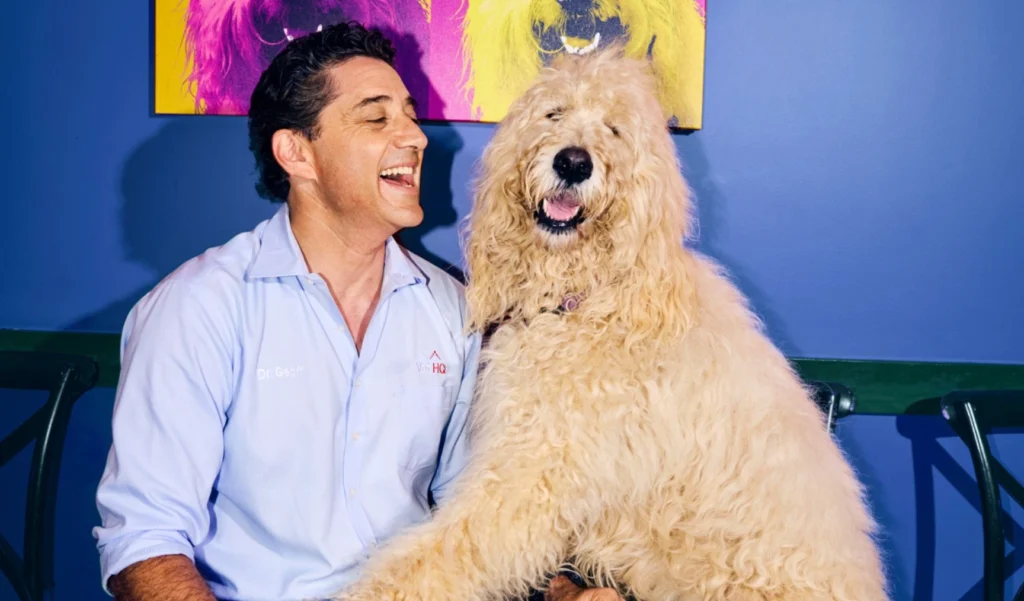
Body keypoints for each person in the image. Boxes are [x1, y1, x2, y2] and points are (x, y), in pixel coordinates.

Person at [93, 20, 622, 601]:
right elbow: (143, 542)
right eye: (377, 118)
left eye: (410, 115)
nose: (416, 138)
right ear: (297, 152)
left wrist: (567, 591)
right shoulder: (198, 308)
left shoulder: (453, 310)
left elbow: (474, 513)